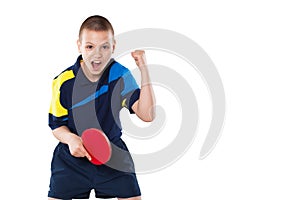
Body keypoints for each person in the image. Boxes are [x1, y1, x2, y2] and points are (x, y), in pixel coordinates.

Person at [48, 15, 155, 200]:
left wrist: (144, 69)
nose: (97, 54)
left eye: (104, 47)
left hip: (113, 156)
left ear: (113, 47)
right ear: (79, 45)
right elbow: (57, 125)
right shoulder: (63, 81)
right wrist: (71, 139)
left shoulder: (120, 76)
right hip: (72, 159)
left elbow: (147, 114)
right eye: (90, 46)